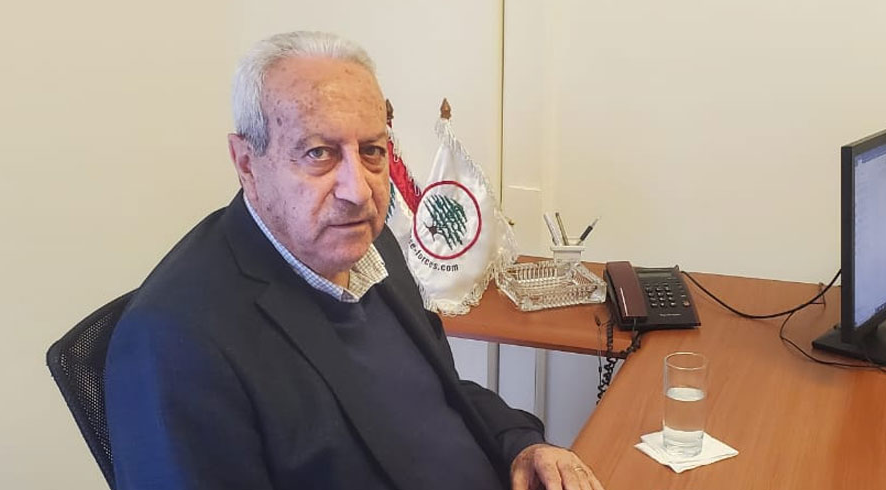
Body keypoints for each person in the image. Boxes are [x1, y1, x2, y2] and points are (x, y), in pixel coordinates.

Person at [104, 31, 604, 490]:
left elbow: (439, 391)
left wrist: (522, 444)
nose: (359, 190)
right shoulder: (173, 345)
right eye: (319, 153)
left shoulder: (369, 243)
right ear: (247, 164)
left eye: (371, 150)